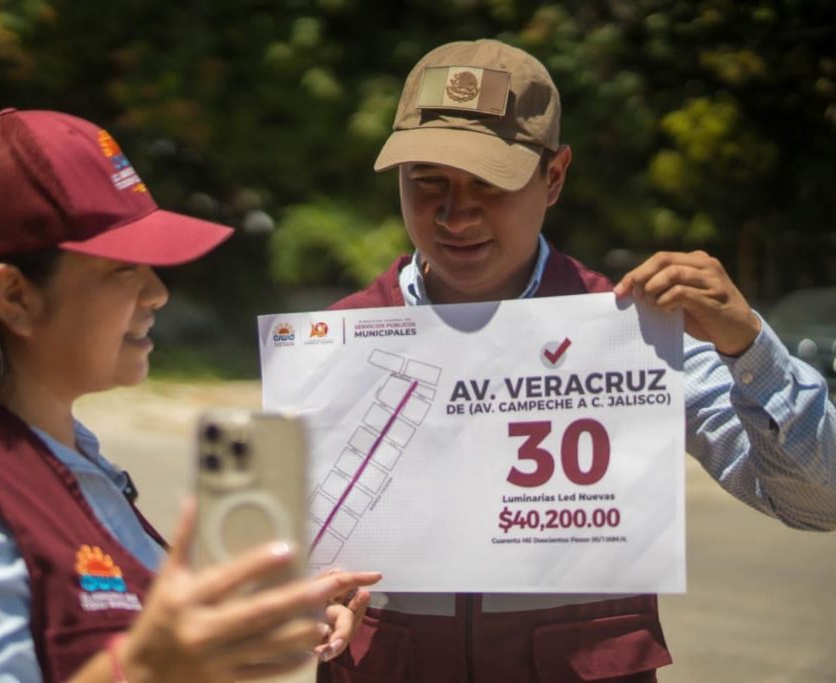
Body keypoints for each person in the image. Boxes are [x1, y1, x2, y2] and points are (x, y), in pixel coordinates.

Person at [320, 39, 836, 682]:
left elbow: (821, 503)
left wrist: (748, 348)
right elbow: (274, 555)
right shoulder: (336, 341)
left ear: (555, 177)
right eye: (428, 181)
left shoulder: (633, 334)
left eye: (490, 181)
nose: (456, 213)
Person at [0, 108, 380, 683]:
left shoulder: (74, 464)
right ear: (15, 296)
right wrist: (148, 668)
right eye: (122, 269)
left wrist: (245, 625)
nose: (157, 292)